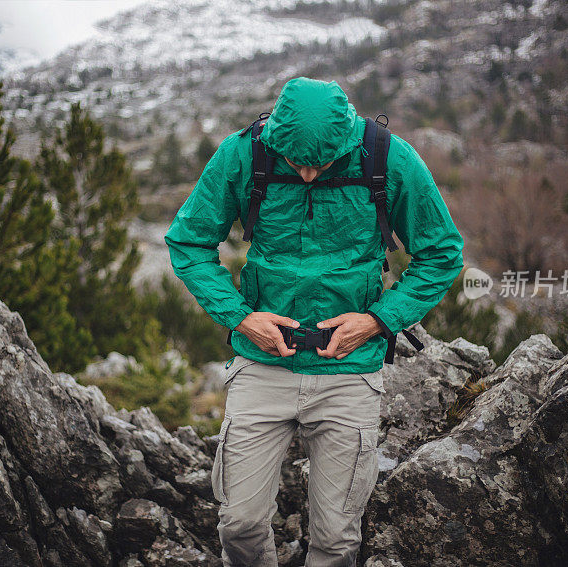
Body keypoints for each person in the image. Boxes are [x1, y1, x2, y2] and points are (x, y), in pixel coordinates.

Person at [165, 77, 464, 566]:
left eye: (317, 164)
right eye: (294, 162)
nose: (305, 175)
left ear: (343, 143)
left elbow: (442, 251)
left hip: (350, 372)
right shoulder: (244, 155)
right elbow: (189, 242)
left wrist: (378, 321)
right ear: (274, 139)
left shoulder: (388, 158)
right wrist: (241, 318)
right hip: (263, 365)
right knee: (238, 523)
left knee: (337, 540)